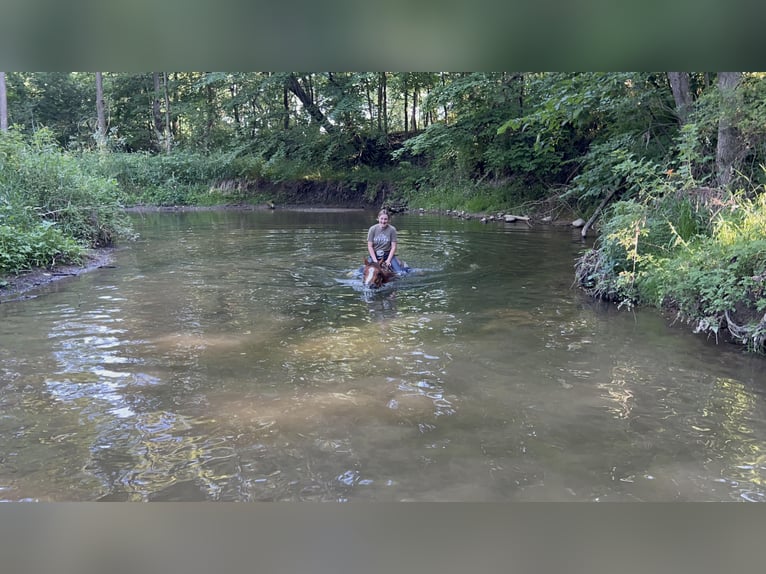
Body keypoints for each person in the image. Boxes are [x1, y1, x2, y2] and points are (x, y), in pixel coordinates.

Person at [366, 209, 407, 274]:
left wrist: (388, 260)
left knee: (400, 273)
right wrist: (375, 260)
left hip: (387, 255)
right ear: (378, 218)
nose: (383, 221)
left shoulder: (392, 230)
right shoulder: (372, 229)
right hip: (375, 255)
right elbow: (370, 246)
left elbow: (393, 247)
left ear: (388, 220)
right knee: (362, 272)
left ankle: (409, 270)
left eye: (385, 219)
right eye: (381, 218)